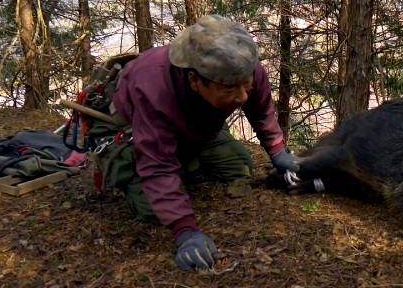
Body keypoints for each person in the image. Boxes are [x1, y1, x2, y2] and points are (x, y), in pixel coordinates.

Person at [108, 14, 303, 271]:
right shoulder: (154, 90)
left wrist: (278, 151)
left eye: (246, 85)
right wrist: (184, 231)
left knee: (239, 167)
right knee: (154, 208)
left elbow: (261, 109)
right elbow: (156, 166)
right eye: (230, 90)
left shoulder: (241, 66)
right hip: (142, 127)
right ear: (195, 81)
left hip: (199, 122)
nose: (242, 96)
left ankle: (182, 164)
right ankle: (126, 169)